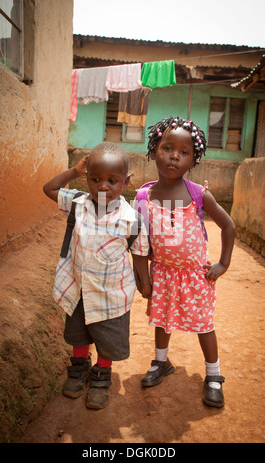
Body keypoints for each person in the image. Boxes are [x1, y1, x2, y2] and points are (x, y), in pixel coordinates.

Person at [133, 116, 235, 408]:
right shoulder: (143, 196)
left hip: (195, 275)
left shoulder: (198, 195)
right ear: (154, 150)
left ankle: (214, 376)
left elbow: (228, 226)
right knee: (162, 320)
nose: (174, 155)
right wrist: (144, 279)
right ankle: (160, 362)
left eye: (184, 152)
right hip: (162, 273)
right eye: (167, 147)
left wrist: (222, 264)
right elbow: (138, 244)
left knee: (204, 324)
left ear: (193, 159)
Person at [43, 142, 150, 409]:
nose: (103, 186)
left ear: (126, 182)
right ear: (87, 177)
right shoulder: (78, 203)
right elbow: (49, 189)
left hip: (111, 294)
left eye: (112, 181)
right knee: (78, 335)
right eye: (94, 179)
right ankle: (79, 369)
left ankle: (102, 376)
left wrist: (145, 285)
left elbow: (139, 253)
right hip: (78, 288)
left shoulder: (131, 219)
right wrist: (74, 171)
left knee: (107, 338)